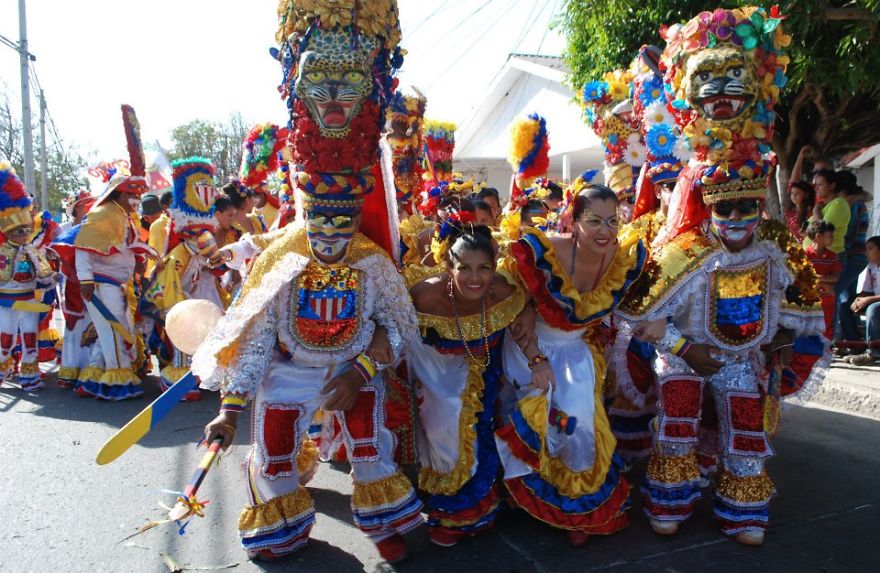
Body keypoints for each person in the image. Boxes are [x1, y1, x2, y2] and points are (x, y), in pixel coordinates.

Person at [192, 1, 422, 563]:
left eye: (343, 218)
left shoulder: (371, 260)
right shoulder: (286, 257)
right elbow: (257, 333)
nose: (330, 234)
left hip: (351, 368)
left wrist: (362, 370)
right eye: (319, 219)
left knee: (371, 448)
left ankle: (383, 519)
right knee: (270, 457)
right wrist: (230, 405)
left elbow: (398, 328)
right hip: (290, 372)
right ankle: (284, 526)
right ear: (303, 213)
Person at [616, 7, 829, 547]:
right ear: (705, 206)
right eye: (724, 210)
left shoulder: (776, 247)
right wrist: (687, 350)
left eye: (747, 210)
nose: (736, 221)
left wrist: (773, 342)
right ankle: (671, 500)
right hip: (683, 356)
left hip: (740, 359)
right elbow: (638, 319)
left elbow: (804, 314)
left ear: (761, 205)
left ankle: (743, 510)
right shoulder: (683, 250)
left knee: (746, 432)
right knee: (677, 426)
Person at [496, 183, 646, 546]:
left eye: (613, 221)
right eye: (594, 220)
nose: (605, 231)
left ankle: (573, 506)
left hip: (576, 348)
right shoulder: (546, 254)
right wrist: (537, 361)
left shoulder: (624, 258)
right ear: (573, 220)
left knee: (576, 422)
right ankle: (523, 490)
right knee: (542, 411)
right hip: (529, 346)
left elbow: (643, 304)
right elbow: (520, 314)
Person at [408, 225, 538, 546]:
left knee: (487, 426)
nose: (474, 277)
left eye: (484, 268)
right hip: (434, 370)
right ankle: (454, 508)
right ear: (448, 267)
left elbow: (527, 303)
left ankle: (488, 500)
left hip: (485, 368)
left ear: (494, 268)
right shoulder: (425, 294)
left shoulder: (502, 291)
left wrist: (532, 328)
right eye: (464, 268)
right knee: (447, 430)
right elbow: (390, 321)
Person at [53, 170, 154, 400]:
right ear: (119, 194)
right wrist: (86, 280)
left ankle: (91, 381)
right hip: (102, 285)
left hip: (117, 285)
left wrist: (139, 260)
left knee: (112, 332)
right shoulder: (101, 214)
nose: (137, 200)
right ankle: (117, 383)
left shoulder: (123, 215)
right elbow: (83, 249)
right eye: (133, 194)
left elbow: (125, 247)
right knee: (113, 333)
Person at [142, 158, 224, 400]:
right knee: (184, 333)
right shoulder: (180, 253)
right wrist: (179, 305)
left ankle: (204, 374)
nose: (202, 237)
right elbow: (169, 280)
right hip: (181, 302)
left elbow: (217, 267)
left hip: (204, 297)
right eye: (197, 233)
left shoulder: (203, 246)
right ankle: (177, 377)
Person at [0, 163, 56, 391]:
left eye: (25, 230)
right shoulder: (2, 252)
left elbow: (46, 276)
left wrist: (48, 277)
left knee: (30, 339)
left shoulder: (34, 250)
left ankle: (29, 376)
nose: (23, 235)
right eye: (18, 231)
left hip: (29, 301)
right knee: (6, 341)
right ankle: (3, 371)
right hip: (5, 303)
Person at [836, 170, 872, 345]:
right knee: (848, 300)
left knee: (838, 296)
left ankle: (839, 338)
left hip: (854, 257)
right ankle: (852, 339)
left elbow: (850, 235)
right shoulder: (854, 202)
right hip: (854, 257)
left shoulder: (854, 205)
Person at [840, 236, 880, 366]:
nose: (866, 252)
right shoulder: (871, 267)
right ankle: (856, 346)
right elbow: (867, 291)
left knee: (872, 309)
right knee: (845, 307)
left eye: (870, 249)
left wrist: (867, 300)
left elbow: (870, 297)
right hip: (875, 299)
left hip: (876, 302)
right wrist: (859, 299)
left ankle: (874, 352)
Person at [804, 220, 841, 341]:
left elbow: (835, 277)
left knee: (826, 328)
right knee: (808, 328)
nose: (832, 239)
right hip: (809, 301)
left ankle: (825, 355)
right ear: (818, 236)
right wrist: (825, 282)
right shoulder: (805, 255)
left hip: (827, 300)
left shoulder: (833, 256)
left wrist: (817, 278)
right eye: (830, 236)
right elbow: (803, 278)